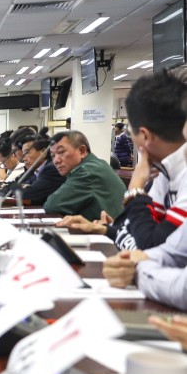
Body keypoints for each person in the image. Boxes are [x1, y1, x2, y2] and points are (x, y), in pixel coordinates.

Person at [59, 71, 187, 250]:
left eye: (130, 131)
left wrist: (135, 190)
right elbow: (137, 236)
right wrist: (104, 229)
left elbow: (150, 247)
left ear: (144, 135)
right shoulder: (163, 175)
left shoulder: (171, 179)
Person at [43, 130, 126, 220]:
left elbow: (51, 206)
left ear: (82, 151)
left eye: (61, 152)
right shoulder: (96, 165)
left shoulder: (86, 172)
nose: (56, 160)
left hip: (110, 232)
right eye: (53, 156)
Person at [6, 136, 65, 204]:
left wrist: (15, 187)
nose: (23, 159)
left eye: (27, 153)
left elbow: (28, 194)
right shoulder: (37, 170)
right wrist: (17, 187)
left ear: (43, 152)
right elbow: (19, 187)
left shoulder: (52, 169)